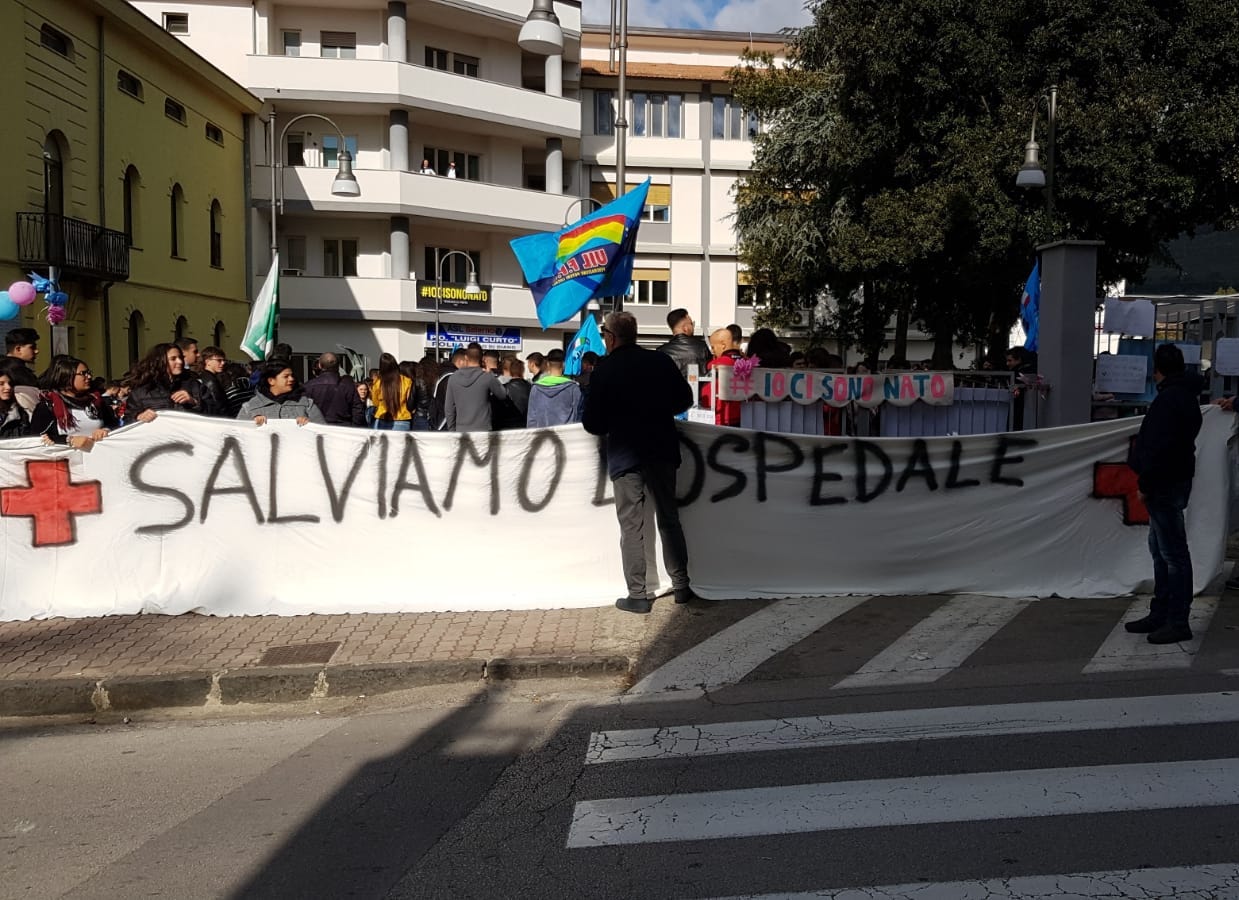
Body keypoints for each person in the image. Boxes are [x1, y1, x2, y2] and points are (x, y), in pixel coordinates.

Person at [583, 312, 696, 614]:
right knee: (669, 518)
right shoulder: (660, 361)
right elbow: (685, 400)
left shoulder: (604, 370)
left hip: (625, 455)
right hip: (661, 449)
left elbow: (592, 423)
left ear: (611, 337)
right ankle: (682, 586)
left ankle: (638, 595)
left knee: (632, 525)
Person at [1125, 343, 1203, 645]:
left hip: (1163, 484)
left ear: (1156, 370)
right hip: (1174, 480)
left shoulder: (1168, 401)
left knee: (1171, 554)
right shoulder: (1185, 398)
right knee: (1163, 550)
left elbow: (1159, 448)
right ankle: (1164, 612)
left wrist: (1146, 483)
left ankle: (1175, 619)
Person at [30, 355, 119, 449]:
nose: (89, 376)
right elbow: (36, 439)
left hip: (97, 458)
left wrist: (105, 430)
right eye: (83, 373)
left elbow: (114, 424)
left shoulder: (96, 402)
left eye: (89, 372)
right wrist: (68, 440)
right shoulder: (48, 406)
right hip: (65, 460)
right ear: (67, 376)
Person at [126, 342, 207, 422]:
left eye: (180, 357)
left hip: (186, 434)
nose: (180, 362)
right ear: (160, 361)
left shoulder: (193, 384)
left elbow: (212, 414)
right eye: (173, 359)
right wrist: (138, 416)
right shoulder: (141, 391)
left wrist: (194, 402)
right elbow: (127, 419)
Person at [238, 360, 326, 426]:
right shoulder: (250, 407)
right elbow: (238, 435)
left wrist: (309, 424)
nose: (291, 379)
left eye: (292, 376)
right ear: (271, 381)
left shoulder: (307, 404)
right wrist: (252, 425)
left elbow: (323, 432)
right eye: (286, 376)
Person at [445, 346, 506, 432]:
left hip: (461, 429)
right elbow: (503, 395)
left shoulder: (453, 378)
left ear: (466, 357)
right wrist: (491, 375)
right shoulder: (487, 377)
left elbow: (449, 408)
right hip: (483, 429)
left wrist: (452, 430)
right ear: (483, 358)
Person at [303, 352, 366, 426]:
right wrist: (354, 429)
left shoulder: (308, 386)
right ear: (338, 366)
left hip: (317, 430)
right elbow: (358, 411)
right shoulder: (348, 386)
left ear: (320, 365)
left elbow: (302, 411)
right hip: (343, 430)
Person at [527, 348, 584, 427]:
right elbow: (578, 416)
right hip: (566, 436)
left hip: (543, 436)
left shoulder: (536, 388)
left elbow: (532, 418)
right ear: (564, 365)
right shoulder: (573, 388)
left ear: (547, 364)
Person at [704, 326, 743, 427]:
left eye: (713, 347)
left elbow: (707, 394)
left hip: (722, 417)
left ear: (723, 345)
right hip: (745, 416)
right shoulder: (747, 362)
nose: (712, 351)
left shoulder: (715, 365)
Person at [657, 308, 711, 379]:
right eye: (692, 324)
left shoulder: (661, 351)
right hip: (697, 389)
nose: (693, 327)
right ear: (685, 328)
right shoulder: (702, 347)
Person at [370, 352, 414, 430]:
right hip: (402, 419)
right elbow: (409, 402)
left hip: (381, 417)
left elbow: (375, 402)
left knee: (380, 442)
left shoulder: (378, 382)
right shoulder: (407, 381)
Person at [493, 357, 531, 430]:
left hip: (506, 427)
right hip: (525, 426)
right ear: (522, 371)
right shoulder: (531, 388)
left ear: (510, 371)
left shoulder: (504, 388)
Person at [196, 345, 230, 417]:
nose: (223, 363)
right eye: (219, 360)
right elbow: (220, 405)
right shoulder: (210, 381)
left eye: (224, 360)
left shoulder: (205, 377)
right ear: (207, 361)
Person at [0, 371, 31, 438]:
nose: (8, 387)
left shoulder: (20, 414)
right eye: (1, 384)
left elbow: (26, 439)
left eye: (10, 384)